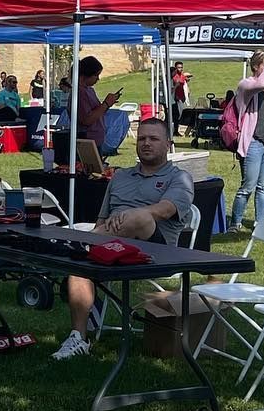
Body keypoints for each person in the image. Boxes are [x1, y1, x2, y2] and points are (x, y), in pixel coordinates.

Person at [55, 118, 194, 361]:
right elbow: (102, 220)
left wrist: (129, 216)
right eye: (141, 139)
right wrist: (111, 226)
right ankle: (78, 337)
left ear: (168, 144)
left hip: (155, 252)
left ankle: (77, 246)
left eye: (153, 139)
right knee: (80, 267)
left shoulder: (179, 178)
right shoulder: (120, 177)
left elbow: (164, 211)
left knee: (141, 218)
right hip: (112, 245)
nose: (146, 143)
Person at [228, 51, 264, 233]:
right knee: (248, 186)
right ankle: (235, 223)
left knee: (263, 187)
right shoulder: (246, 85)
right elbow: (261, 83)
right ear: (256, 66)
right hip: (253, 142)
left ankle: (260, 224)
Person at [74, 57, 122, 146]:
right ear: (86, 75)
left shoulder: (89, 90)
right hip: (87, 140)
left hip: (96, 139)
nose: (98, 79)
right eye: (96, 75)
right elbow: (86, 120)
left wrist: (107, 104)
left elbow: (97, 112)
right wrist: (106, 104)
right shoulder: (80, 92)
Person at [170, 61, 191, 133]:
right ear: (175, 68)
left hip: (182, 98)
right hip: (175, 98)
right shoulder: (173, 77)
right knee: (177, 115)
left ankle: (177, 130)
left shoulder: (182, 76)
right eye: (179, 67)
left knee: (181, 114)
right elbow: (172, 88)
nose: (180, 69)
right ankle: (175, 130)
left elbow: (185, 85)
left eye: (181, 67)